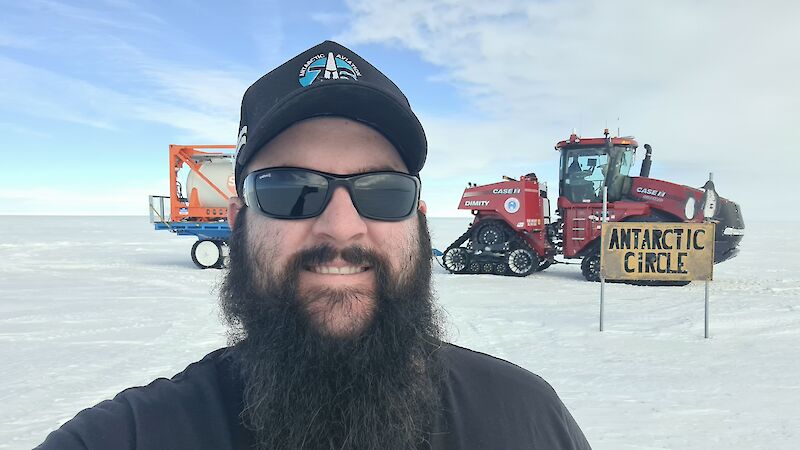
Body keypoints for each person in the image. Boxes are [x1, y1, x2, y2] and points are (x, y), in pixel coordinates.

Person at [38, 41, 591, 450]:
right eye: (290, 189)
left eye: (382, 191)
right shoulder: (132, 436)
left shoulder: (527, 420)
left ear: (418, 223)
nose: (342, 228)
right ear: (238, 222)